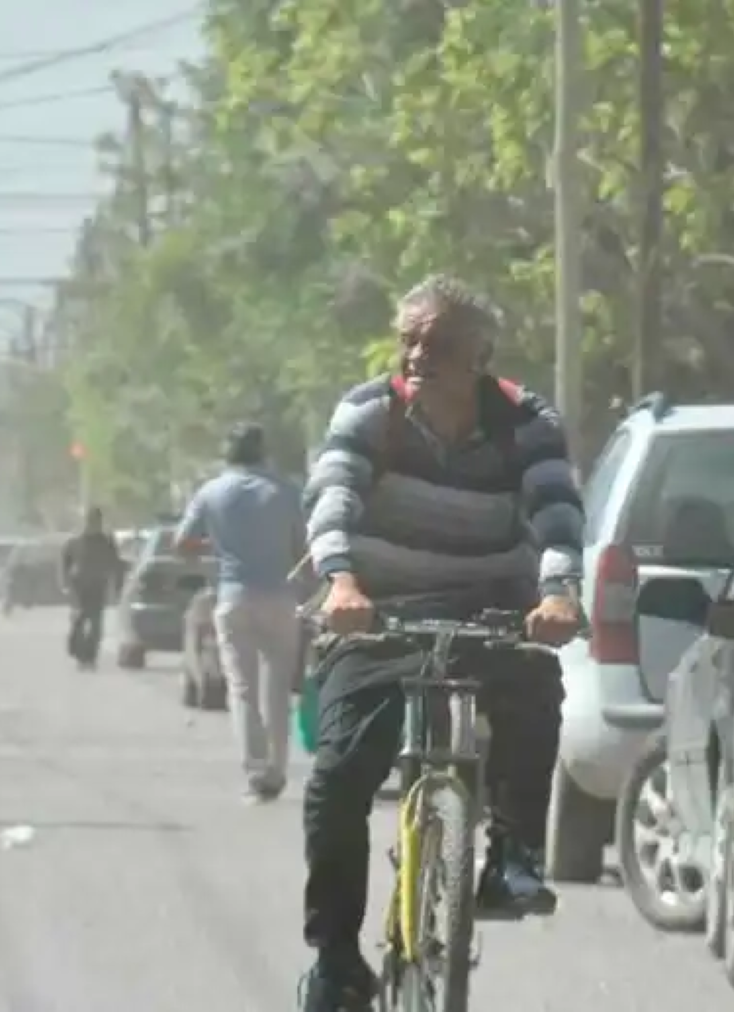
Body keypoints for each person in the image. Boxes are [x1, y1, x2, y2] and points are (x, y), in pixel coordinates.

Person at [298, 275, 585, 1011]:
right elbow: (333, 497)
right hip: (378, 614)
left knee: (534, 693)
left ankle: (512, 854)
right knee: (338, 779)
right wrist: (340, 582)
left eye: (441, 343)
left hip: (490, 612)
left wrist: (558, 595)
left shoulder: (527, 421)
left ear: (481, 356)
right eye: (410, 339)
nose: (419, 354)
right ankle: (336, 961)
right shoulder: (371, 410)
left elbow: (556, 514)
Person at [174, 422, 305, 803]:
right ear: (262, 452)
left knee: (243, 689)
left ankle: (255, 770)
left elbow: (182, 543)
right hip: (281, 598)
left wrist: (214, 549)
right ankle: (278, 771)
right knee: (278, 689)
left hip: (233, 597)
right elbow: (304, 548)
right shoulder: (285, 491)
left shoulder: (211, 491)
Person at [60, 507, 123, 669]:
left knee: (96, 625)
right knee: (79, 622)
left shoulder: (107, 542)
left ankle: (90, 656)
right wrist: (65, 584)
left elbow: (116, 564)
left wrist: (117, 586)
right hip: (79, 588)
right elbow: (64, 564)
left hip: (98, 587)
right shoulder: (75, 542)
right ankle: (78, 652)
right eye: (90, 520)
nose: (93, 524)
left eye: (96, 520)